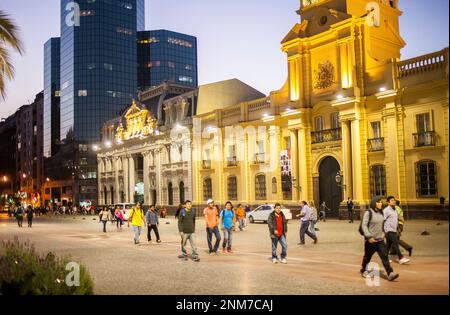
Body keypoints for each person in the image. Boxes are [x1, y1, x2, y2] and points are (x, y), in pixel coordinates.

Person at [360, 197, 399, 281]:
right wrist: (369, 237)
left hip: (380, 240)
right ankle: (364, 270)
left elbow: (383, 224)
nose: (381, 204)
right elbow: (364, 225)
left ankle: (390, 273)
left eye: (381, 202)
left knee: (384, 257)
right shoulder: (368, 213)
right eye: (379, 202)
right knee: (367, 257)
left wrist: (383, 232)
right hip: (370, 241)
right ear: (374, 203)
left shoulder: (381, 213)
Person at [384, 196, 410, 265]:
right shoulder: (386, 210)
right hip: (388, 230)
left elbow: (397, 218)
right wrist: (383, 231)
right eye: (392, 200)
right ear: (388, 202)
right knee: (395, 243)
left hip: (394, 229)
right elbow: (382, 220)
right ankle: (401, 258)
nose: (394, 201)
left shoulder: (395, 209)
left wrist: (400, 221)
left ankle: (384, 258)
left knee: (388, 245)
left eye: (394, 200)